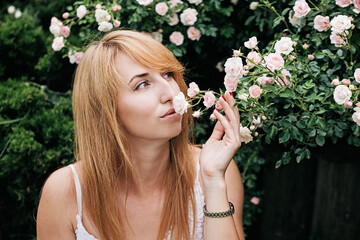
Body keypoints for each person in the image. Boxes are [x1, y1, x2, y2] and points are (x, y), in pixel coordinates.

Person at [36, 30, 245, 240]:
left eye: (168, 74)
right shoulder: (65, 192)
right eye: (142, 84)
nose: (172, 93)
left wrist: (214, 182)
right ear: (106, 109)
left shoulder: (214, 171)